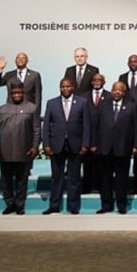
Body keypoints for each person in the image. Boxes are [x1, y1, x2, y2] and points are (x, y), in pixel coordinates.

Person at [0, 84, 40, 215]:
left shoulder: (32, 108)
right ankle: (10, 203)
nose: (16, 95)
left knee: (22, 181)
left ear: (23, 93)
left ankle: (19, 205)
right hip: (5, 151)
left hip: (24, 151)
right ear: (10, 94)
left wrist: (35, 147)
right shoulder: (3, 109)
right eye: (14, 93)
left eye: (19, 93)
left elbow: (36, 129)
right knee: (6, 181)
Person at [42, 78, 91, 214]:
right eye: (62, 87)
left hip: (75, 145)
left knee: (74, 178)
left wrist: (85, 144)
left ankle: (73, 206)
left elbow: (86, 125)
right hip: (56, 145)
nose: (65, 89)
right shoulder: (51, 103)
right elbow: (46, 125)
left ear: (72, 87)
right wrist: (46, 144)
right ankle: (54, 206)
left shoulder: (82, 102)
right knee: (56, 177)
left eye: (67, 86)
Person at [91, 82, 137, 214]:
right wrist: (93, 143)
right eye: (115, 90)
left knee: (122, 179)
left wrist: (136, 145)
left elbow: (136, 127)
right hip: (104, 148)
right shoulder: (103, 105)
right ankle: (106, 205)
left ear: (124, 92)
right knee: (105, 178)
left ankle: (121, 205)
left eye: (120, 90)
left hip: (123, 148)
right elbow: (95, 125)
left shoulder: (132, 107)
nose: (117, 92)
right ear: (112, 91)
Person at [83, 73, 111, 193]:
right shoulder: (84, 97)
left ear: (104, 82)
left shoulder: (109, 96)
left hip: (104, 137)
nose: (97, 81)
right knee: (87, 164)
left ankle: (101, 187)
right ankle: (87, 187)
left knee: (103, 165)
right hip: (87, 135)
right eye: (94, 79)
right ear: (91, 82)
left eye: (99, 80)